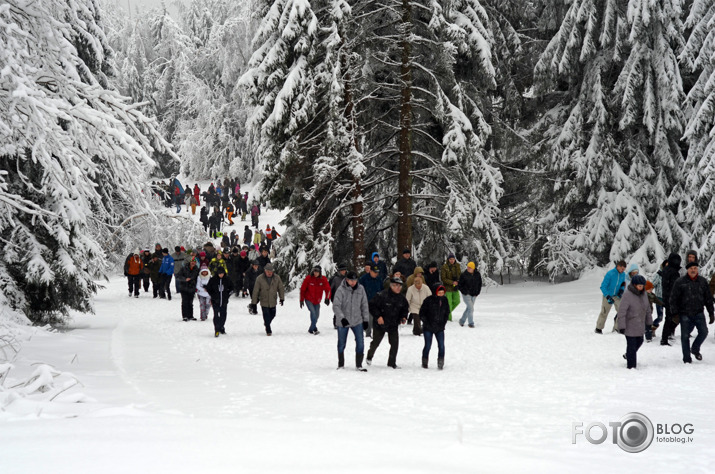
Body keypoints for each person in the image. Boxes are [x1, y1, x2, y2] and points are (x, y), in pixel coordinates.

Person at [669, 260, 714, 363]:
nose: (693, 270)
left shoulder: (702, 281)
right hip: (684, 313)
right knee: (685, 336)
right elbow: (673, 298)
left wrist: (711, 312)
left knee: (704, 332)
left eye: (695, 268)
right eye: (691, 269)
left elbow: (708, 298)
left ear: (697, 269)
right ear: (687, 270)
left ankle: (695, 348)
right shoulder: (680, 282)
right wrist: (674, 313)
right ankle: (686, 359)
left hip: (699, 312)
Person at [366, 276, 409, 369]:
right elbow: (372, 306)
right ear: (391, 286)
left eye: (400, 286)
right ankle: (370, 355)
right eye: (396, 285)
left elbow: (405, 309)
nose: (398, 288)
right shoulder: (382, 295)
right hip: (380, 323)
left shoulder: (401, 298)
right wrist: (378, 316)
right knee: (376, 342)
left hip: (393, 324)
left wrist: (404, 317)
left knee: (394, 344)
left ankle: (391, 363)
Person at [333, 271, 370, 371]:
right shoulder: (341, 290)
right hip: (343, 322)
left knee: (360, 342)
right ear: (346, 280)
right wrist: (342, 318)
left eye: (354, 280)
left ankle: (359, 364)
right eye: (350, 280)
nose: (353, 282)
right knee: (341, 343)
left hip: (357, 320)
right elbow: (336, 306)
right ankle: (341, 364)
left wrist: (366, 320)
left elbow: (364, 305)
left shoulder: (361, 289)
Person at [616, 275, 652, 369]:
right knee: (631, 346)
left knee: (640, 341)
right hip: (629, 324)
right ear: (634, 285)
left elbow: (647, 308)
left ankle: (628, 355)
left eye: (642, 286)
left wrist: (649, 321)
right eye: (639, 286)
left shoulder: (644, 294)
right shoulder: (627, 295)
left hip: (640, 324)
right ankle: (631, 367)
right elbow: (622, 311)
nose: (641, 288)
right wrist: (621, 326)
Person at [419, 284, 450, 369]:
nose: (441, 294)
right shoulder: (428, 300)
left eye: (442, 293)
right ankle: (424, 361)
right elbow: (422, 313)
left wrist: (443, 323)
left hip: (440, 327)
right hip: (428, 327)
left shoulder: (445, 300)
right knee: (428, 345)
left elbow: (447, 312)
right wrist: (427, 322)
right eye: (439, 292)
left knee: (441, 345)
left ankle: (441, 361)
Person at [250, 263, 285, 336]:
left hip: (273, 300)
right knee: (266, 314)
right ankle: (268, 330)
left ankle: (267, 323)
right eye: (268, 271)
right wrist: (254, 303)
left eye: (271, 271)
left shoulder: (277, 278)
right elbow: (256, 291)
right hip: (264, 300)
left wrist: (282, 298)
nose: (269, 273)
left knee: (273, 314)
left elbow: (281, 288)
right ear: (265, 271)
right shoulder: (259, 278)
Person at [595, 260, 627, 334]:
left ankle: (617, 328)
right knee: (604, 312)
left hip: (617, 296)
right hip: (608, 295)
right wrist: (607, 296)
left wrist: (621, 291)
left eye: (624, 269)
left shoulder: (623, 274)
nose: (622, 271)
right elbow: (603, 286)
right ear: (618, 266)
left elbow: (623, 283)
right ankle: (598, 328)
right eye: (622, 269)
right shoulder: (610, 274)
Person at [300, 265, 332, 335]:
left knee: (316, 315)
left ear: (320, 272)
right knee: (313, 313)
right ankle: (314, 329)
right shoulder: (308, 278)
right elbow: (303, 289)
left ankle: (311, 329)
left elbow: (328, 289)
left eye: (317, 272)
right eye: (315, 271)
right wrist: (301, 300)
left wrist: (327, 298)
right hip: (309, 299)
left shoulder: (323, 279)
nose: (316, 273)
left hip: (317, 301)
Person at [660, 253, 682, 345]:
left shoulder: (666, 270)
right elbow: (675, 286)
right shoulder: (673, 271)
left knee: (670, 317)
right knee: (673, 317)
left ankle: (667, 335)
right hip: (671, 298)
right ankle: (665, 338)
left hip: (666, 297)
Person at [358, 265, 384, 338]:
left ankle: (377, 333)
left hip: (377, 301)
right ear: (370, 271)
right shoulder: (364, 278)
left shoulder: (379, 279)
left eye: (377, 272)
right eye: (375, 272)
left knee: (376, 317)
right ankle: (368, 333)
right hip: (367, 301)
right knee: (369, 318)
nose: (376, 274)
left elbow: (382, 289)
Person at [207, 267, 233, 337]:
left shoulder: (227, 279)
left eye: (222, 273)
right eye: (219, 274)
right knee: (216, 315)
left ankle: (221, 327)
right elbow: (208, 288)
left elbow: (232, 288)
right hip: (215, 301)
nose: (221, 275)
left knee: (223, 315)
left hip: (224, 301)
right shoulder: (213, 280)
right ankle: (216, 329)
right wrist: (213, 296)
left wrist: (227, 295)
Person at [458, 262, 482, 328]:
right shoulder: (463, 275)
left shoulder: (477, 274)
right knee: (471, 308)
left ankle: (462, 321)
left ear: (473, 268)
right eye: (468, 267)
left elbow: (480, 284)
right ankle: (471, 323)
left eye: (470, 267)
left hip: (474, 294)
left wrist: (477, 292)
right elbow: (460, 285)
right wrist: (464, 291)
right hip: (466, 294)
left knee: (469, 308)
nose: (468, 268)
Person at [440, 253, 461, 321]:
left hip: (455, 287)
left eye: (453, 259)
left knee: (457, 301)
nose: (452, 260)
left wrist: (458, 281)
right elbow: (443, 278)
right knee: (449, 303)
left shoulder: (457, 266)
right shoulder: (444, 267)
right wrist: (452, 282)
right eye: (450, 259)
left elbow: (460, 275)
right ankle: (449, 318)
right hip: (447, 288)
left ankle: (446, 313)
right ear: (448, 259)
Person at [329, 263, 348, 328]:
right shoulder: (335, 278)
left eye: (345, 270)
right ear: (339, 271)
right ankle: (336, 323)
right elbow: (330, 288)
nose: (344, 271)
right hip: (336, 296)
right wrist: (328, 298)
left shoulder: (347, 278)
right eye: (342, 270)